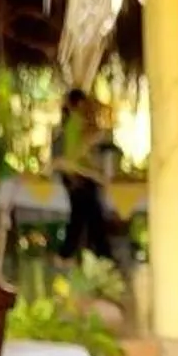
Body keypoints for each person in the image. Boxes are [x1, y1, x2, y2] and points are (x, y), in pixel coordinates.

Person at [54, 87, 111, 260]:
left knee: (85, 216)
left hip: (80, 175)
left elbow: (80, 155)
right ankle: (100, 255)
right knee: (88, 216)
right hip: (77, 177)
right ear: (78, 104)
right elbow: (73, 156)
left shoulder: (76, 124)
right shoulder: (75, 123)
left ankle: (73, 254)